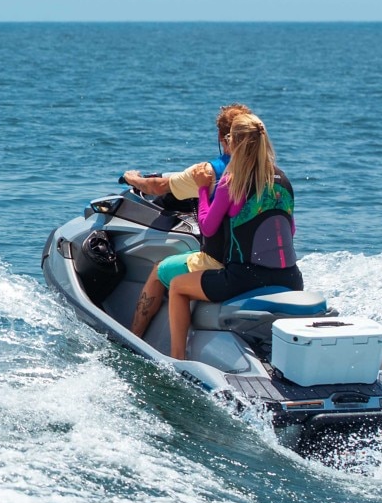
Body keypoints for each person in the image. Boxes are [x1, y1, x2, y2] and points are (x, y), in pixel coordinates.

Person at [167, 112, 302, 360]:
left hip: (244, 277)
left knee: (177, 287)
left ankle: (177, 359)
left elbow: (207, 227)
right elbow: (290, 230)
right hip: (291, 278)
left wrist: (202, 189)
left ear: (235, 142)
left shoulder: (232, 181)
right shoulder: (283, 180)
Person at [125, 104, 251, 338]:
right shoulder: (264, 170)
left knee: (159, 271)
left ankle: (134, 338)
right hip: (253, 263)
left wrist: (132, 178)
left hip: (221, 263)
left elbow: (157, 187)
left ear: (221, 137)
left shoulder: (209, 171)